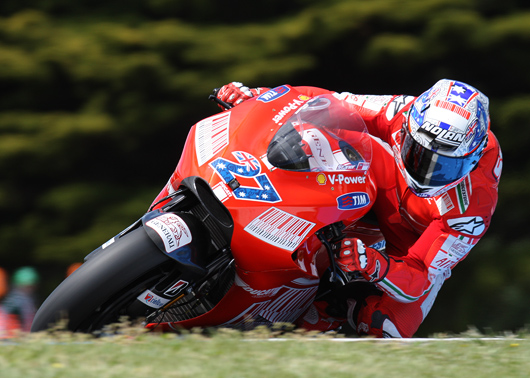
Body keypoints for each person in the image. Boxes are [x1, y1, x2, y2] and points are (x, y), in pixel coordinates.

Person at [213, 80, 503, 337]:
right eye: (419, 153)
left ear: (473, 157)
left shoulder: (474, 206)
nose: (427, 173)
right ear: (409, 128)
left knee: (386, 328)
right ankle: (263, 203)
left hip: (416, 241)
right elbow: (330, 101)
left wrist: (376, 266)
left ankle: (339, 303)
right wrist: (258, 97)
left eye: (445, 166)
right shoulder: (402, 112)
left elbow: (421, 276)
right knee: (321, 128)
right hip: (387, 179)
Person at [0, 266, 39, 337]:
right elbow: (27, 320)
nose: (30, 289)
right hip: (12, 336)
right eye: (28, 286)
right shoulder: (18, 300)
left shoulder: (15, 298)